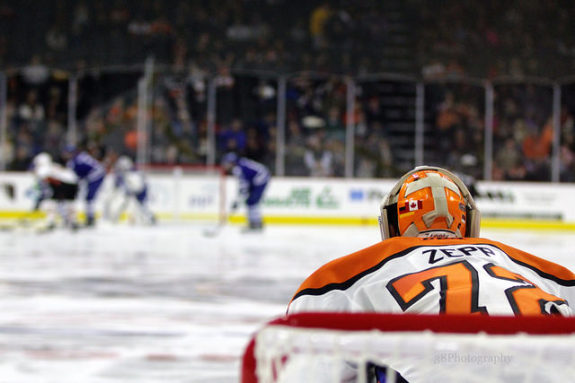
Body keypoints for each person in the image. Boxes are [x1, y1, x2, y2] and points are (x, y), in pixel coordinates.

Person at [287, 166, 575, 382]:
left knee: (376, 353)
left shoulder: (345, 276)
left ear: (392, 223)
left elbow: (305, 371)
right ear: (468, 221)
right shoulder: (542, 270)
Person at [221, 152, 270, 232]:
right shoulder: (240, 165)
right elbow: (244, 184)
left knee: (252, 201)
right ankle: (255, 223)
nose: (226, 165)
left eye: (227, 163)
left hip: (260, 179)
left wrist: (238, 200)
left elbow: (243, 185)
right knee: (250, 202)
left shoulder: (238, 168)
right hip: (257, 179)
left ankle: (255, 224)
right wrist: (241, 196)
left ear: (231, 162)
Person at [31, 152, 79, 231]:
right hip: (72, 184)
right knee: (69, 203)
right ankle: (72, 221)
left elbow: (42, 177)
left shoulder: (44, 168)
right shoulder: (54, 166)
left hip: (62, 184)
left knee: (51, 203)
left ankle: (51, 222)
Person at [104, 155, 156, 225]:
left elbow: (139, 186)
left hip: (137, 192)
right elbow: (120, 183)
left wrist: (132, 191)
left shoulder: (134, 173)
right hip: (131, 192)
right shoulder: (124, 173)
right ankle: (115, 218)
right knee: (125, 204)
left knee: (140, 206)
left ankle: (148, 218)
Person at [62, 145, 106, 227]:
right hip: (95, 175)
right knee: (88, 197)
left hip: (95, 176)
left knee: (89, 197)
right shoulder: (80, 157)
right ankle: (89, 217)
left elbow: (77, 175)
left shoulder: (75, 161)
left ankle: (90, 217)